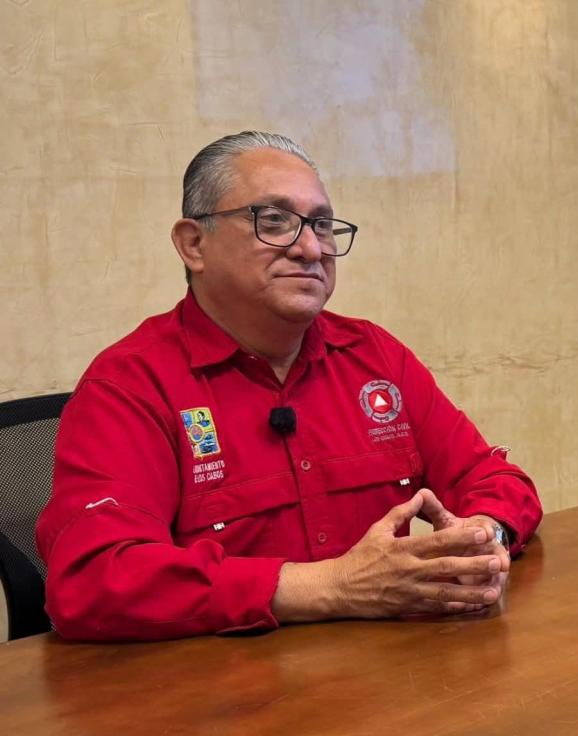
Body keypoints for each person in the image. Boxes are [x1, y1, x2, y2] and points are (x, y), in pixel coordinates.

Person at [36, 132, 543, 641]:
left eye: (322, 225)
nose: (310, 248)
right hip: (224, 697)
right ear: (194, 244)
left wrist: (481, 536)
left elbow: (498, 480)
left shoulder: (375, 357)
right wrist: (333, 585)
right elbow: (94, 579)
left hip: (390, 679)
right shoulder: (131, 383)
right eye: (274, 221)